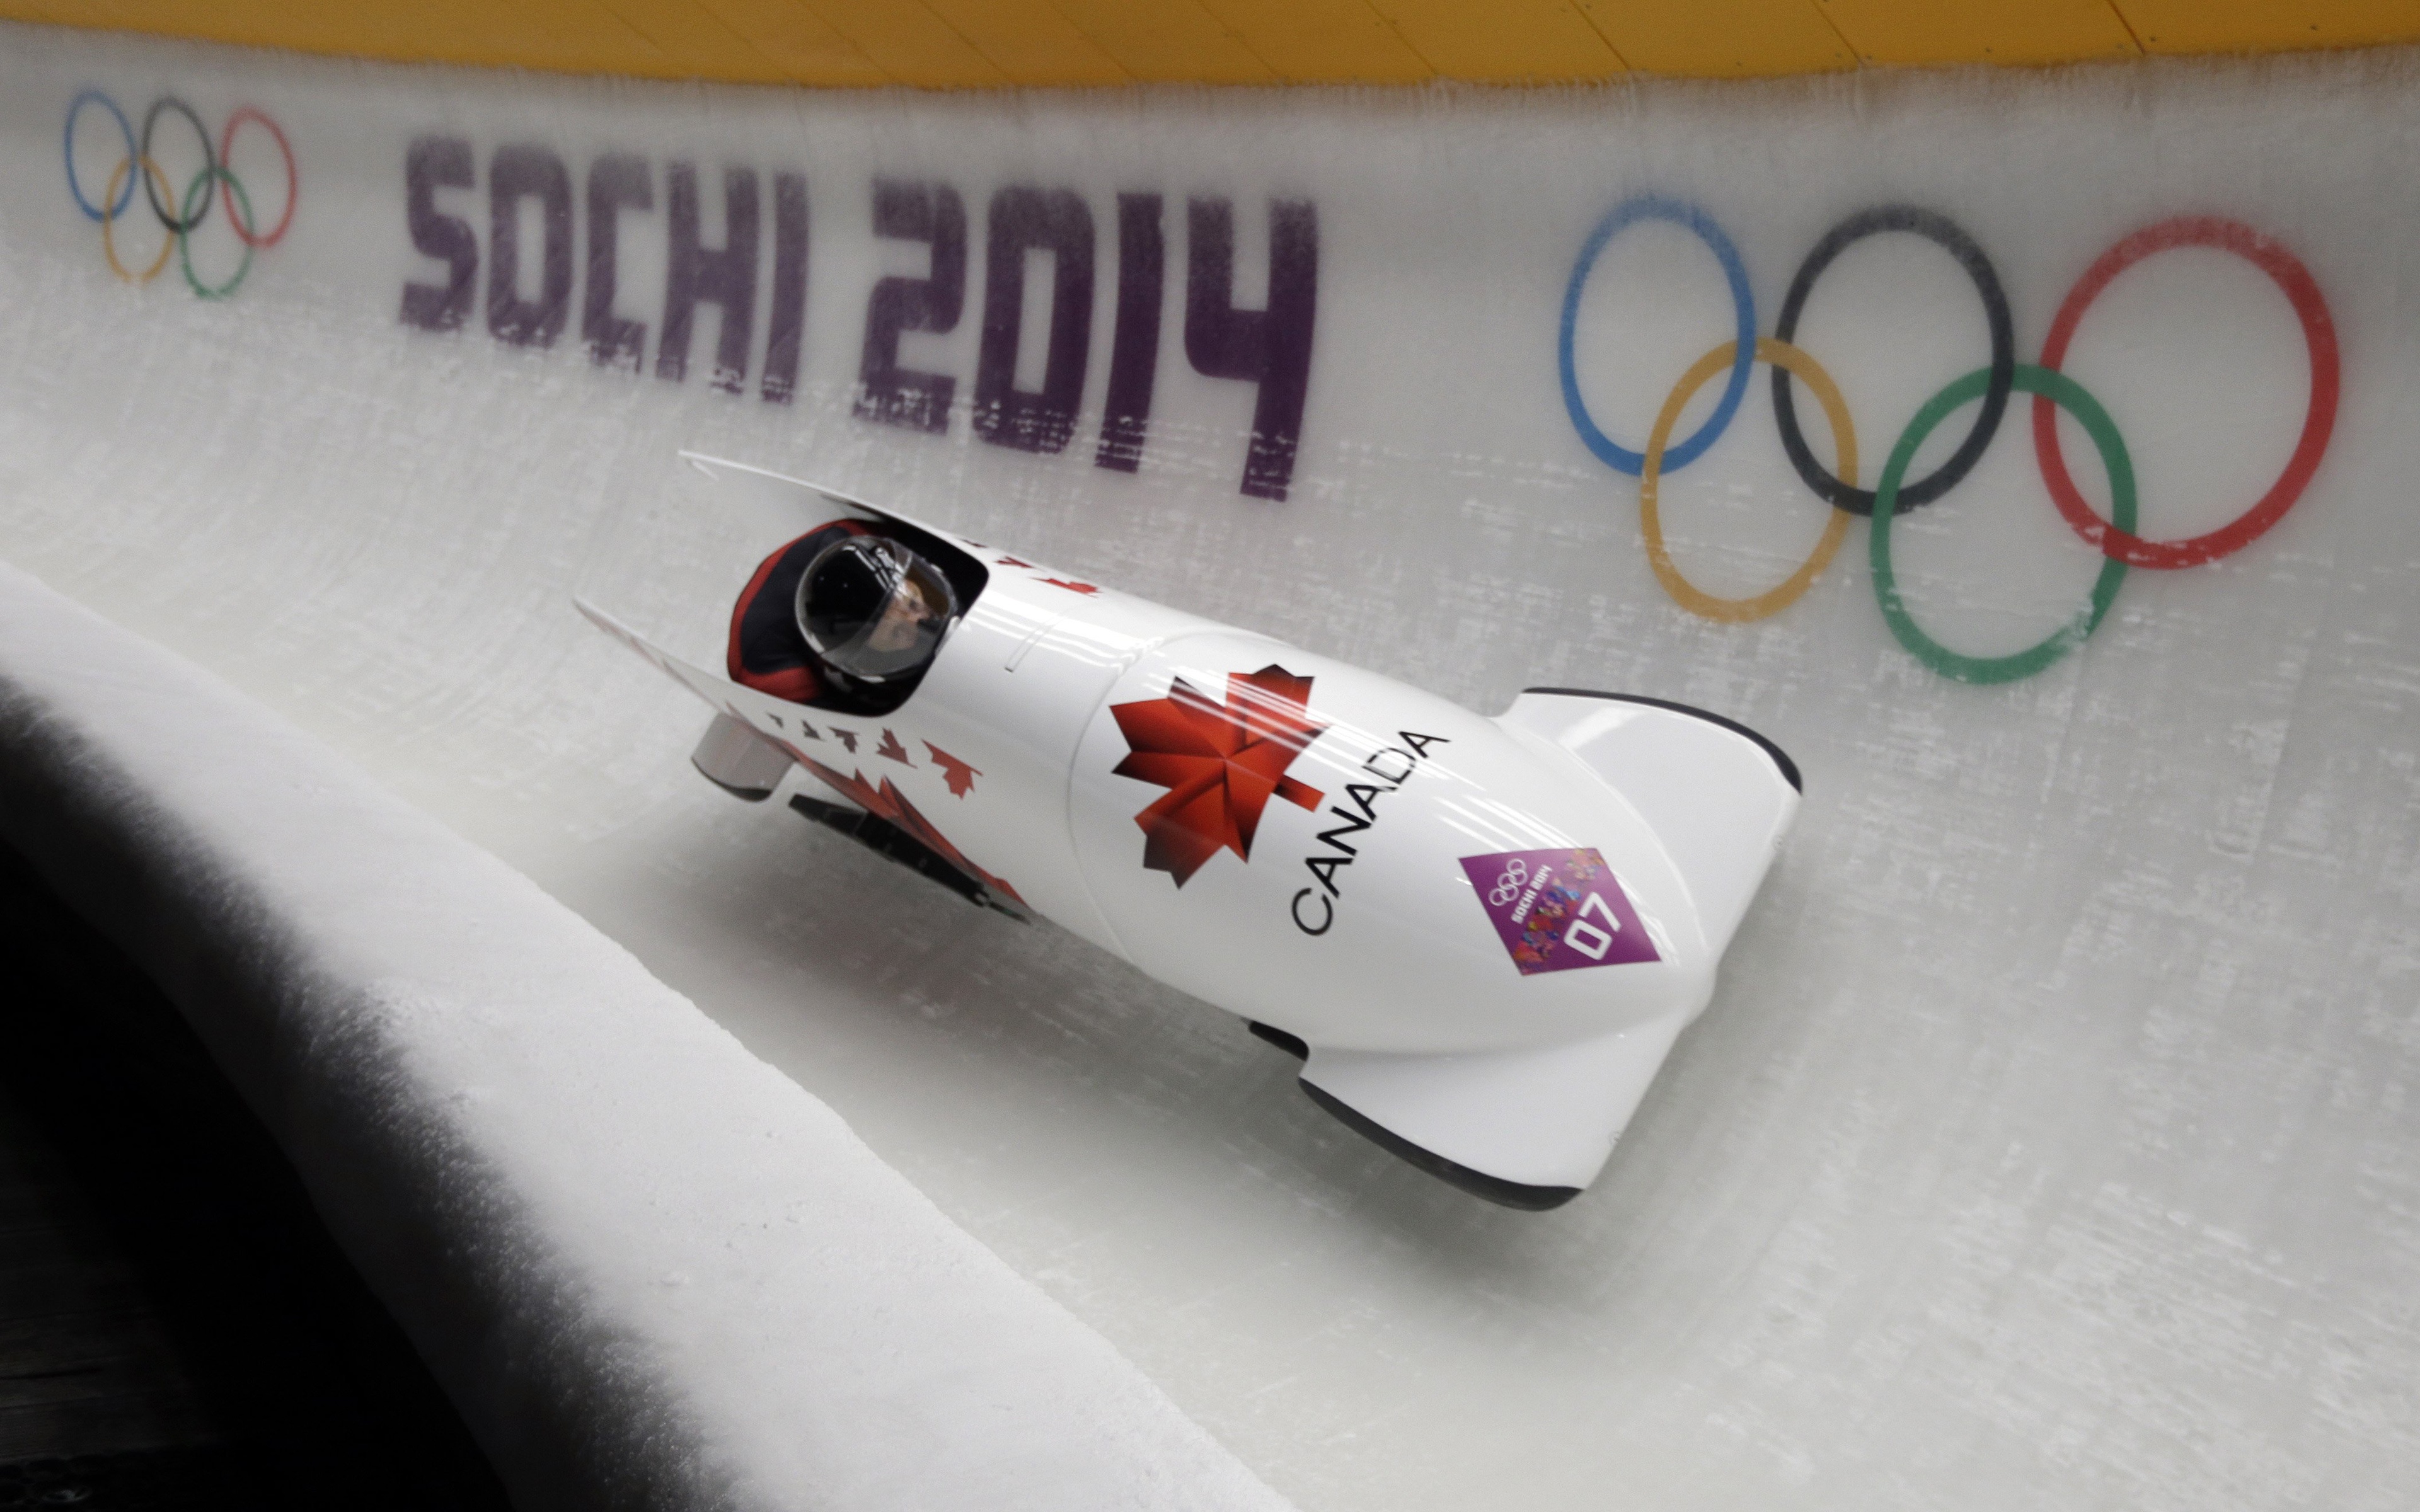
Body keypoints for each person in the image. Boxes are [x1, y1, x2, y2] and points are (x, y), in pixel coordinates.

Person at [727, 522, 959, 707]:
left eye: (913, 604)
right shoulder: (771, 675)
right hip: (774, 664)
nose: (922, 623)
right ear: (870, 656)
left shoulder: (864, 539)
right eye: (897, 633)